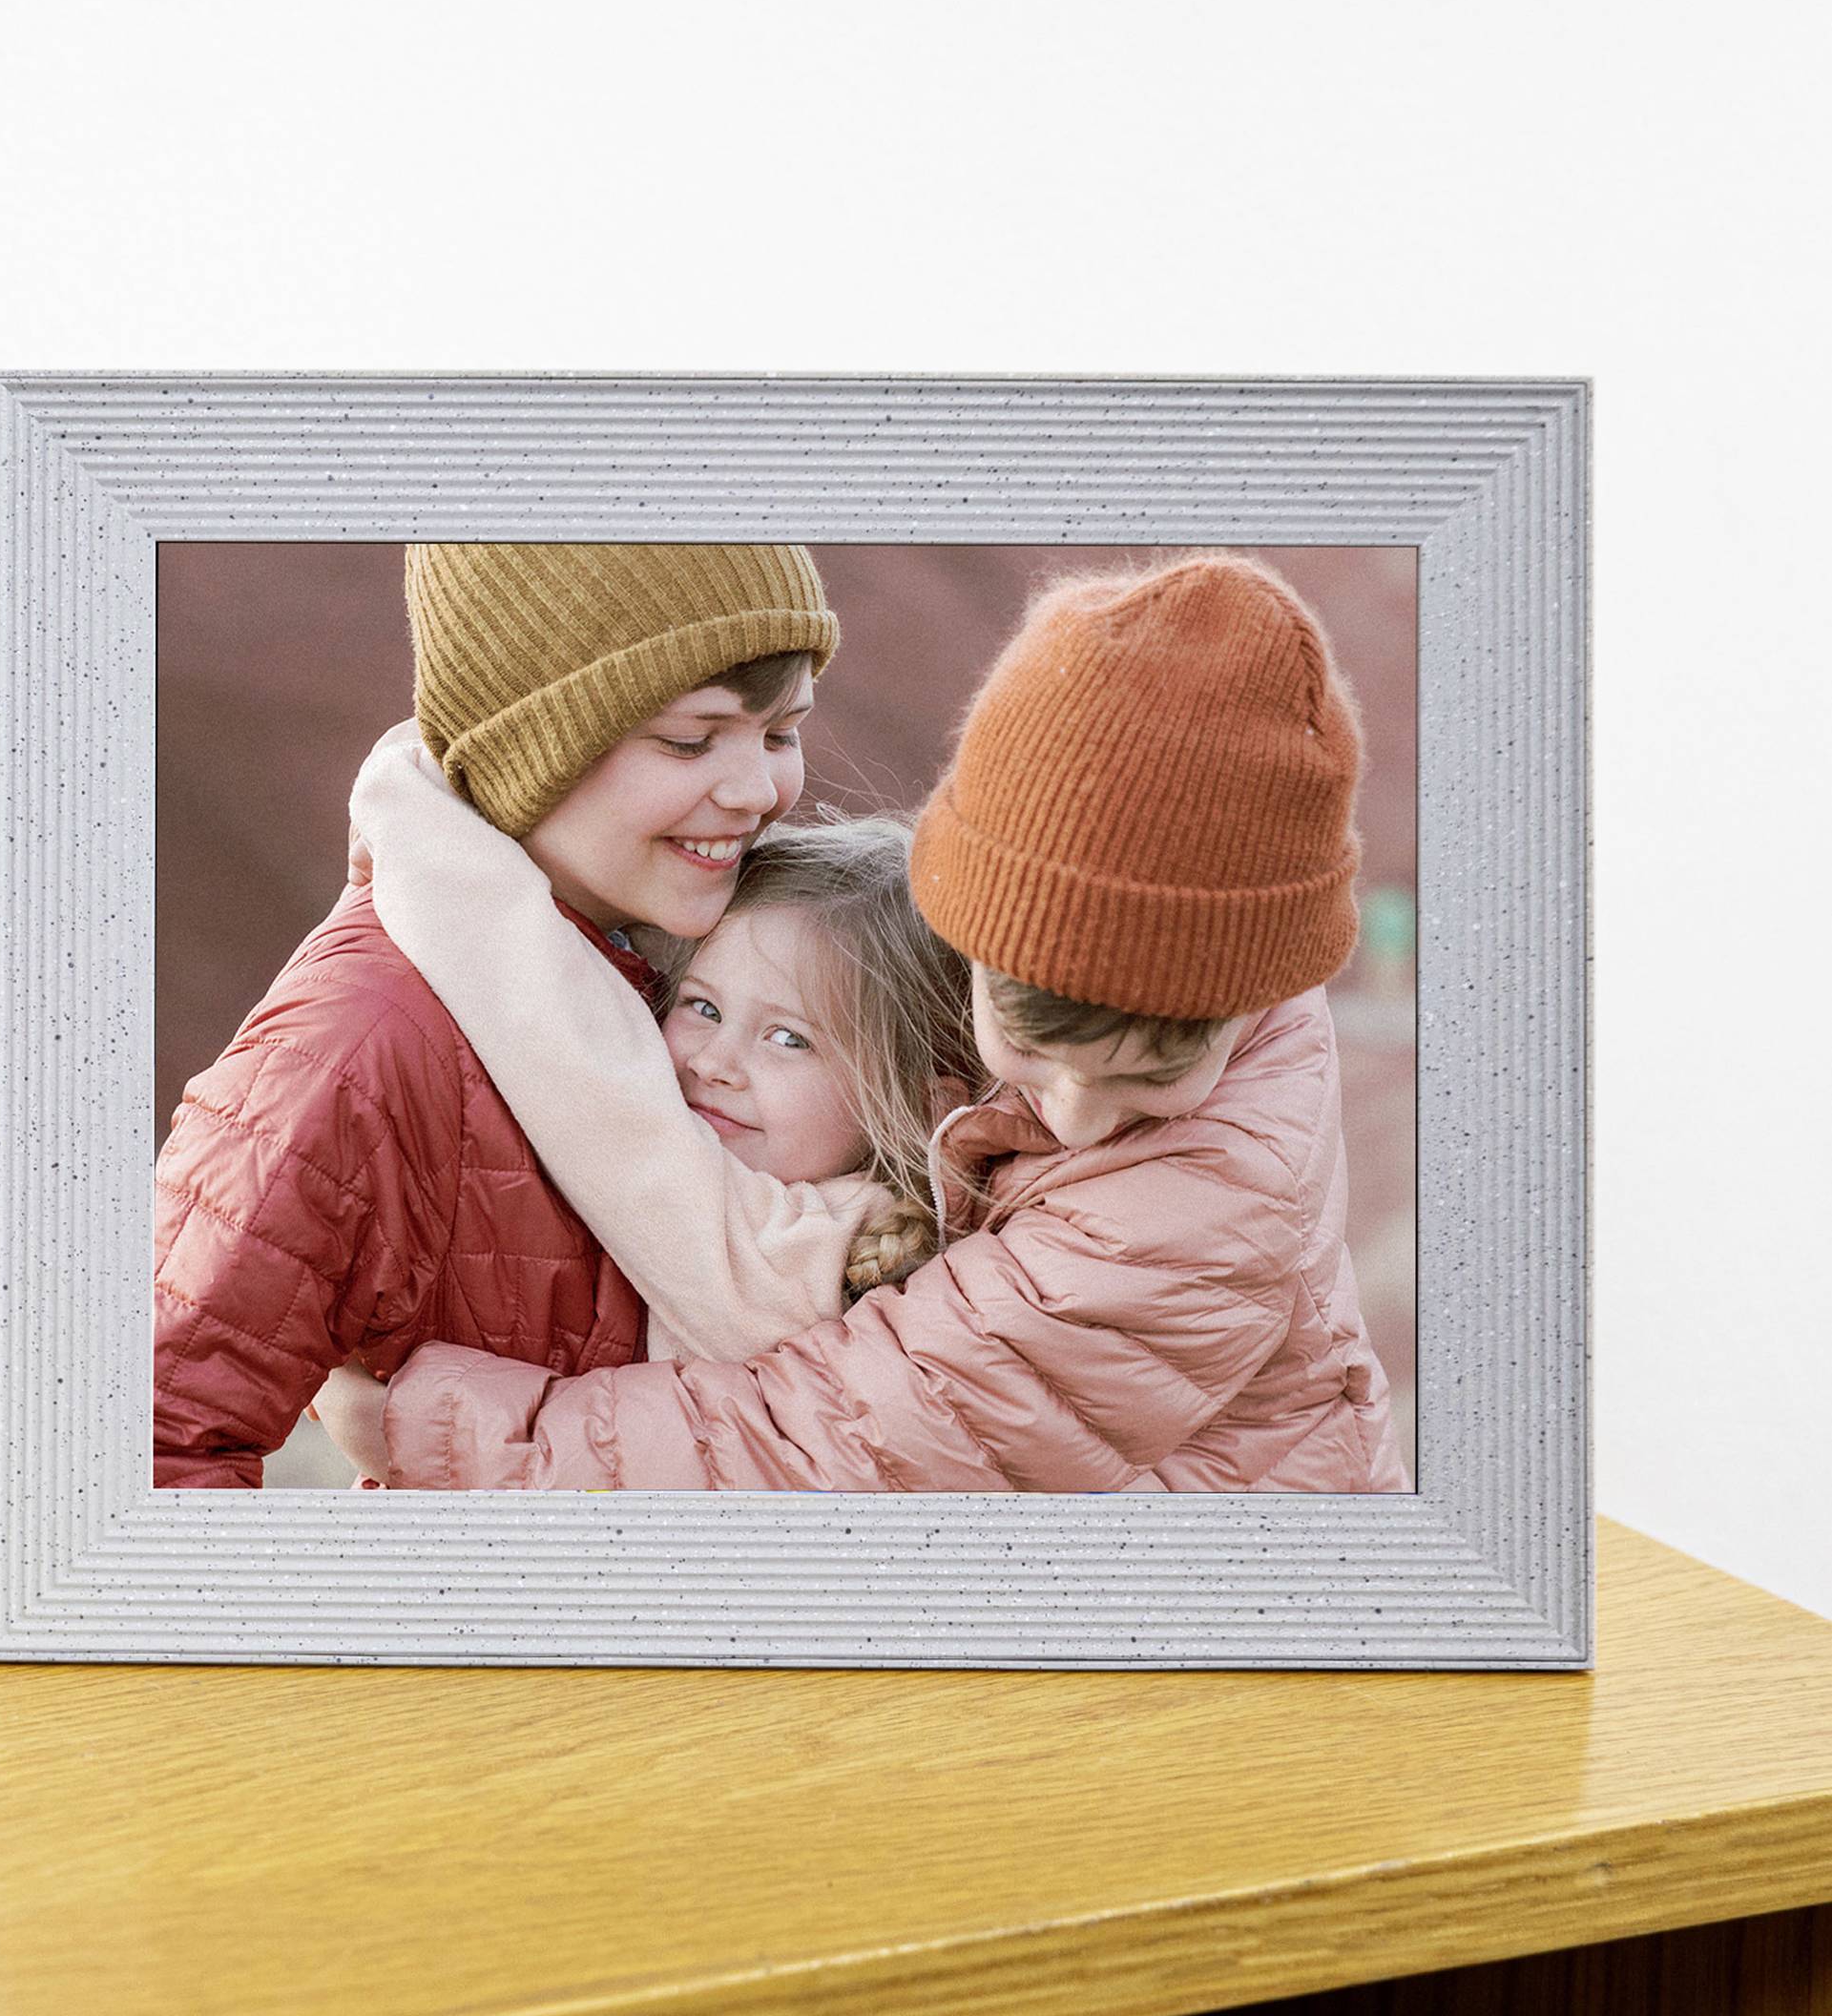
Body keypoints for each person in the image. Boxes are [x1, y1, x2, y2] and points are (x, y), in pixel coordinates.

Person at [365, 554, 1412, 1494]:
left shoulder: (1196, 1209)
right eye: (1033, 1056)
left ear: (1243, 1002)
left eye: (1146, 1081)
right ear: (964, 929)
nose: (1081, 1119)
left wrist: (456, 1430)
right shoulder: (1162, 949)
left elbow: (845, 1445)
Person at [152, 540, 841, 1487]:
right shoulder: (359, 1047)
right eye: (691, 739)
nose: (757, 791)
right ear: (531, 744)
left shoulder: (700, 968)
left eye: (780, 734)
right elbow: (151, 1447)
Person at [339, 724, 976, 1364]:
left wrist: (407, 786)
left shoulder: (797, 1252)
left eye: (789, 1038)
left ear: (927, 1110)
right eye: (702, 1006)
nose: (714, 1062)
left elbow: (541, 1012)